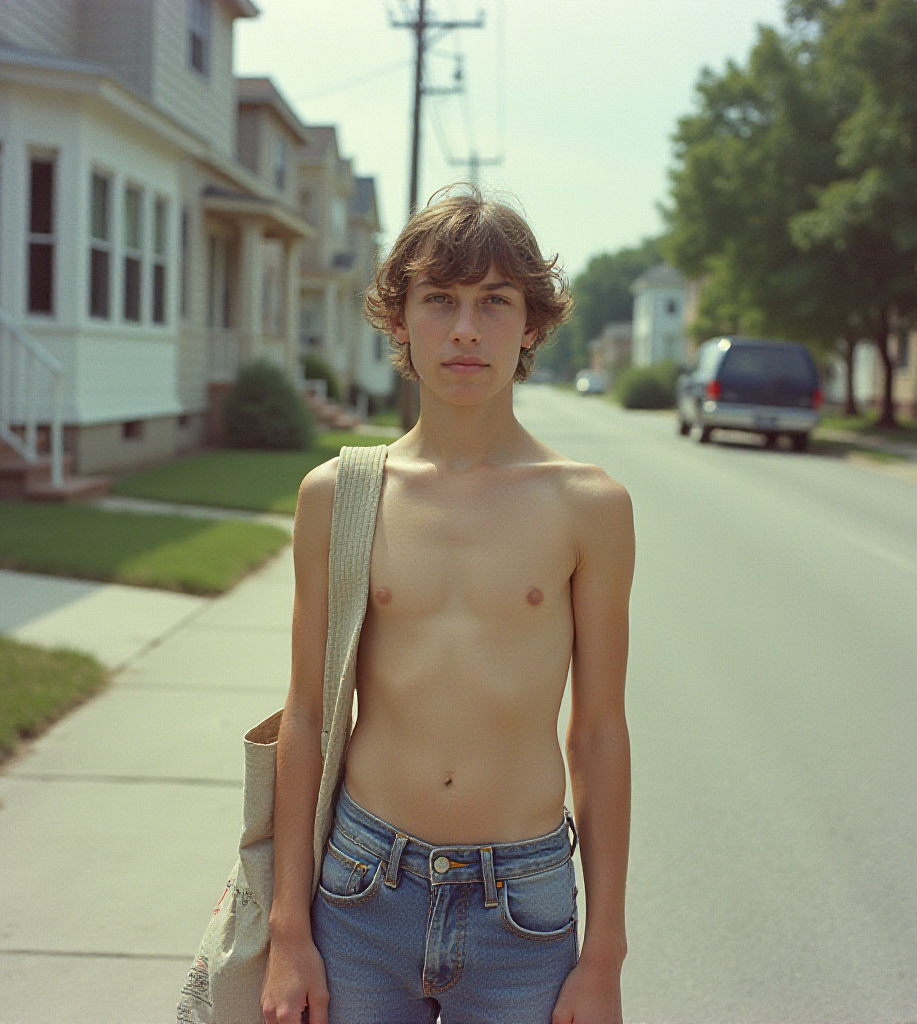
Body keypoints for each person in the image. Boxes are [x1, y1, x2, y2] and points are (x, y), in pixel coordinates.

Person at [261, 185, 634, 1024]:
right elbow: (308, 713)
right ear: (400, 321)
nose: (466, 328)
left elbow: (600, 732)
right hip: (360, 890)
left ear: (532, 324)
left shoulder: (590, 506)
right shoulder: (340, 494)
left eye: (495, 302)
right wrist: (290, 929)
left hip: (524, 907)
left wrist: (604, 951)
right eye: (439, 300)